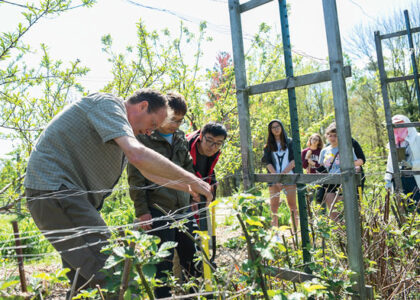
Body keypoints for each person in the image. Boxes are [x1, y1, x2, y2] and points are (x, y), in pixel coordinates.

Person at [24, 89, 212, 293]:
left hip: (63, 197)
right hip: (57, 192)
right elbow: (138, 156)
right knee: (117, 277)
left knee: (86, 285)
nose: (150, 132)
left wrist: (187, 186)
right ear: (142, 106)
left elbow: (149, 173)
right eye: (152, 124)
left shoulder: (120, 131)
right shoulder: (108, 104)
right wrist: (193, 179)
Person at [127, 92, 199, 298]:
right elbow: (136, 179)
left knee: (191, 258)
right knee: (162, 264)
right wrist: (142, 211)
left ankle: (195, 294)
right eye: (172, 119)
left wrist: (193, 194)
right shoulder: (144, 137)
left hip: (183, 209)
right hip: (158, 210)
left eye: (180, 120)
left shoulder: (180, 138)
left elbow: (188, 169)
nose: (176, 124)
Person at [318, 122, 363, 221]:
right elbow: (321, 166)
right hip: (330, 182)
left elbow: (356, 162)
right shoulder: (324, 151)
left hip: (344, 181)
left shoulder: (347, 148)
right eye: (330, 135)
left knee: (344, 210)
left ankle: (346, 233)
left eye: (335, 135)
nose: (332, 138)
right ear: (326, 136)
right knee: (332, 211)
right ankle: (338, 234)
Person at [261, 119, 298, 230]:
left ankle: (296, 232)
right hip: (274, 179)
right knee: (274, 207)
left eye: (278, 126)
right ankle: (275, 233)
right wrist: (277, 177)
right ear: (270, 130)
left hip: (289, 177)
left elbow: (294, 161)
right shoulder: (268, 146)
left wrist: (282, 175)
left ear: (281, 127)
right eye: (273, 127)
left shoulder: (290, 142)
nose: (276, 129)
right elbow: (268, 163)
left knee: (292, 206)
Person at [385, 114, 420, 211]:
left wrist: (413, 165)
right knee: (404, 208)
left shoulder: (417, 138)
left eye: (400, 124)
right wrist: (388, 179)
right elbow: (390, 163)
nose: (398, 128)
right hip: (400, 179)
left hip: (415, 179)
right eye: (395, 125)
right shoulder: (395, 142)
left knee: (417, 207)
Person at [186, 122, 228, 196]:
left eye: (218, 143)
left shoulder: (214, 154)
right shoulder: (185, 148)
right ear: (201, 136)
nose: (212, 147)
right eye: (209, 141)